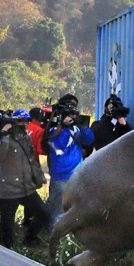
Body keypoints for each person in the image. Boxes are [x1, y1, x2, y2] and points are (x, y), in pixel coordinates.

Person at [0, 109, 49, 248]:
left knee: (43, 212)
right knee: (7, 229)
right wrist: (5, 135)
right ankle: (5, 253)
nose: (24, 124)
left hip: (26, 188)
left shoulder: (26, 137)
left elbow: (31, 160)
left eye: (26, 121)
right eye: (21, 121)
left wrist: (39, 177)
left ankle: (30, 238)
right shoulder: (4, 137)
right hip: (8, 190)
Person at [43, 95, 94, 226]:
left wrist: (82, 125)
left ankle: (67, 234)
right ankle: (53, 236)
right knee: (57, 211)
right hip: (61, 177)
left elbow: (88, 140)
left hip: (77, 175)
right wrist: (63, 125)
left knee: (75, 209)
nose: (71, 116)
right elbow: (59, 147)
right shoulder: (55, 131)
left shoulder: (76, 129)